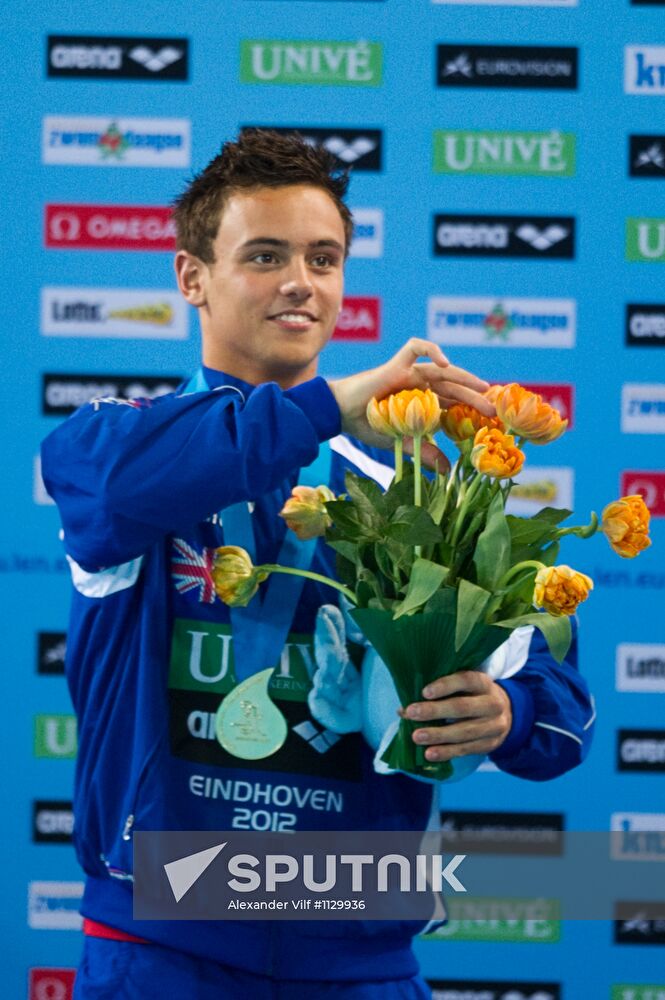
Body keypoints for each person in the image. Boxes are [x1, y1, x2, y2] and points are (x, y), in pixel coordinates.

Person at [41, 130, 594, 1000]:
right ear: (191, 277)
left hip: (359, 948)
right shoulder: (117, 450)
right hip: (162, 939)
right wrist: (337, 405)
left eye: (323, 257)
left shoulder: (419, 484)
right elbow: (122, 486)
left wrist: (506, 711)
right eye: (264, 255)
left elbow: (562, 715)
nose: (301, 281)